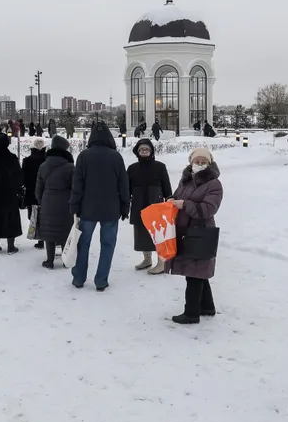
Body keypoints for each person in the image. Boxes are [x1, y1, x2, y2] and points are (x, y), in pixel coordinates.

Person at [166, 148, 223, 324]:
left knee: (194, 273)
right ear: (191, 162)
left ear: (209, 163)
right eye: (196, 161)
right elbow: (177, 197)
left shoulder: (214, 184)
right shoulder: (186, 180)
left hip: (200, 231)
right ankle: (207, 306)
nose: (199, 164)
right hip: (185, 231)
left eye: (203, 161)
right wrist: (171, 201)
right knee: (198, 271)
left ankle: (191, 313)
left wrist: (185, 205)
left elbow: (208, 209)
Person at [69, 122, 129, 291]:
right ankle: (101, 280)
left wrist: (74, 205)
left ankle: (79, 278)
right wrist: (125, 205)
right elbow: (123, 184)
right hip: (111, 209)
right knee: (108, 244)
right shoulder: (116, 157)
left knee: (83, 243)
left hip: (87, 209)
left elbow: (77, 184)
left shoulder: (83, 156)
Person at [128, 139, 173, 274]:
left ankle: (161, 262)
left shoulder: (160, 166)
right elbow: (127, 188)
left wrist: (169, 198)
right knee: (141, 232)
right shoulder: (132, 168)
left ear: (152, 151)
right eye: (141, 149)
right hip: (139, 203)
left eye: (147, 149)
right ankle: (147, 259)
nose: (144, 151)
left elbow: (166, 184)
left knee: (158, 233)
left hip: (155, 202)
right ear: (137, 151)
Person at [36, 136, 75, 269]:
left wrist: (42, 201)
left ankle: (50, 260)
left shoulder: (43, 165)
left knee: (49, 232)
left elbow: (38, 188)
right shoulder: (70, 167)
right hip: (65, 201)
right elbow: (75, 187)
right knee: (65, 231)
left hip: (47, 200)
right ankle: (65, 260)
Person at [22, 138, 47, 249]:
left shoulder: (27, 161)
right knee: (46, 215)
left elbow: (23, 177)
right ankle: (45, 238)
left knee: (32, 215)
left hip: (31, 192)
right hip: (45, 192)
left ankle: (38, 237)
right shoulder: (47, 160)